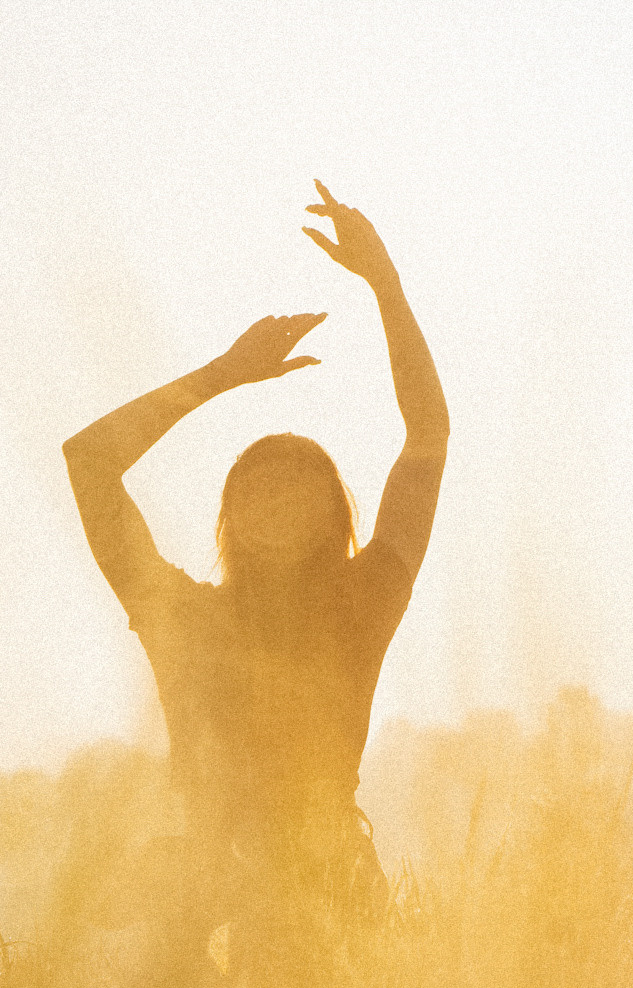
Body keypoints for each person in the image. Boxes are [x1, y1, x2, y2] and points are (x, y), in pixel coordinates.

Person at [63, 184, 448, 930]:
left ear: (332, 516)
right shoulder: (183, 616)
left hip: (327, 890)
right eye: (255, 489)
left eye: (296, 490)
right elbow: (88, 463)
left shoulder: (360, 604)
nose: (273, 503)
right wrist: (223, 374)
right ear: (228, 517)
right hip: (206, 898)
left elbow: (427, 438)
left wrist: (386, 286)